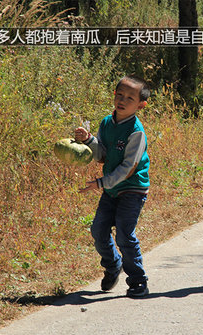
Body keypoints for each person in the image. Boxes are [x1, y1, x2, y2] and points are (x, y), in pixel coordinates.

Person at [74, 75, 151, 298]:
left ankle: (138, 280)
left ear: (141, 105)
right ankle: (113, 265)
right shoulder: (107, 122)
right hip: (111, 188)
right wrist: (89, 141)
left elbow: (129, 168)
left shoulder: (136, 131)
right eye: (120, 95)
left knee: (125, 235)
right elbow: (103, 156)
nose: (123, 100)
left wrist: (100, 183)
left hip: (133, 189)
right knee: (98, 230)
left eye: (130, 98)